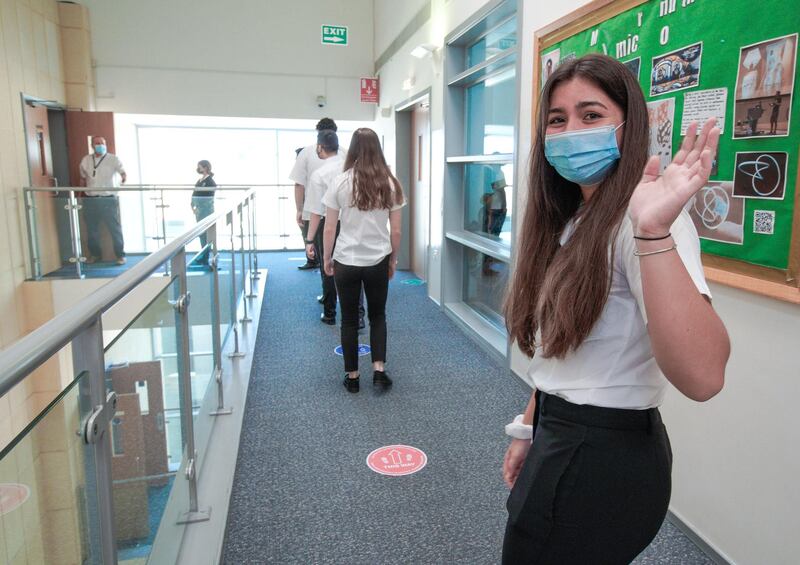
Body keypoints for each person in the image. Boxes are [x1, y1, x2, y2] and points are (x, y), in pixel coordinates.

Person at [501, 54, 730, 563]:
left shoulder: (646, 220)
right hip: (561, 436)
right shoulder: (573, 220)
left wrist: (653, 232)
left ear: (630, 127)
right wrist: (527, 429)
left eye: (591, 115)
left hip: (602, 457)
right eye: (557, 120)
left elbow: (704, 375)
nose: (569, 131)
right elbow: (566, 355)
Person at [322, 128, 405, 393]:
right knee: (378, 315)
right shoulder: (390, 183)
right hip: (377, 259)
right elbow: (396, 230)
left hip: (345, 259)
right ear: (377, 149)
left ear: (353, 149)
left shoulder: (340, 181)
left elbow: (329, 227)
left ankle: (353, 376)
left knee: (348, 319)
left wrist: (327, 257)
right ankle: (379, 370)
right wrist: (393, 259)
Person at [304, 130, 345, 324]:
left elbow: (315, 212)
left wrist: (309, 239)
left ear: (320, 147)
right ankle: (357, 315)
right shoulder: (350, 168)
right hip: (350, 224)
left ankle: (330, 313)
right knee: (352, 266)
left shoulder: (319, 174)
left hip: (328, 224)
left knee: (328, 267)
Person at [291, 118, 343, 270]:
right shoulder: (347, 153)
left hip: (318, 215)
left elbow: (298, 184)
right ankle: (350, 294)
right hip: (345, 215)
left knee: (324, 256)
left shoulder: (306, 153)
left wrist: (299, 209)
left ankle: (329, 294)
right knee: (345, 258)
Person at [79, 136, 127, 264]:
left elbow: (123, 172)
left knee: (114, 228)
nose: (100, 145)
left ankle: (120, 255)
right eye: (97, 143)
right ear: (92, 145)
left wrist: (123, 179)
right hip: (91, 199)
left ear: (105, 144)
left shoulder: (113, 159)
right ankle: (95, 255)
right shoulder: (86, 160)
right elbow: (82, 178)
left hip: (108, 198)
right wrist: (80, 193)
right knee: (92, 230)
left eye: (102, 143)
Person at [192, 160, 217, 264]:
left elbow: (209, 195)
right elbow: (194, 192)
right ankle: (203, 254)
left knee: (206, 233)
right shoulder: (200, 180)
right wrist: (192, 205)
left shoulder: (210, 181)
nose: (199, 169)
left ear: (205, 167)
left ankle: (206, 255)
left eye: (200, 167)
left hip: (206, 211)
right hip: (199, 210)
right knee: (201, 233)